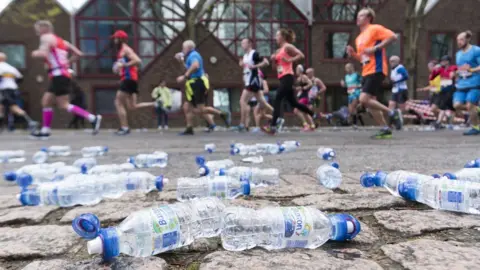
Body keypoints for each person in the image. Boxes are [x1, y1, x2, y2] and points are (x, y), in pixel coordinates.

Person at [30, 20, 101, 139]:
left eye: (37, 29)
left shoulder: (46, 38)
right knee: (46, 101)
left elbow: (43, 54)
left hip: (59, 75)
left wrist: (34, 53)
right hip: (59, 74)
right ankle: (45, 130)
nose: (37, 32)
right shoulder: (62, 41)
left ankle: (92, 118)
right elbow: (79, 54)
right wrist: (67, 62)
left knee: (63, 104)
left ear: (44, 28)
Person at [346, 8, 402, 139]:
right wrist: (353, 54)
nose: (358, 17)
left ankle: (392, 113)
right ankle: (385, 129)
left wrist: (376, 48)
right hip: (366, 70)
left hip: (376, 69)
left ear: (368, 18)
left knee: (363, 99)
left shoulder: (375, 28)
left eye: (361, 15)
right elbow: (362, 58)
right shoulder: (359, 37)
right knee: (370, 105)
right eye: (358, 15)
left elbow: (393, 36)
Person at [262, 28, 315, 135]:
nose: (276, 38)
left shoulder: (287, 46)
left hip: (288, 76)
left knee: (278, 99)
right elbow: (274, 68)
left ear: (282, 37)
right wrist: (273, 60)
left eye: (277, 36)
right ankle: (312, 113)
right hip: (282, 77)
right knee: (293, 102)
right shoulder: (278, 51)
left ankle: (273, 126)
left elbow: (301, 55)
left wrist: (289, 60)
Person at [175, 40, 231, 135]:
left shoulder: (193, 55)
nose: (182, 50)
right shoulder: (190, 56)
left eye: (183, 48)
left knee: (200, 109)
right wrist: (181, 62)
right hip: (193, 83)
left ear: (188, 48)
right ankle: (189, 128)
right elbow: (188, 68)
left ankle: (222, 114)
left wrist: (184, 77)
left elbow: (195, 66)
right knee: (187, 107)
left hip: (197, 83)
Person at [111, 30, 155, 136]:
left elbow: (138, 60)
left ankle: (125, 128)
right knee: (132, 106)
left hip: (129, 79)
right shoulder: (121, 51)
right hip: (129, 79)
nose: (114, 40)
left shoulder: (126, 49)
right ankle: (155, 104)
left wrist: (123, 66)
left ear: (121, 39)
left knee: (118, 102)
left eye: (116, 38)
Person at [238, 39, 273, 132]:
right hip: (248, 80)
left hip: (253, 80)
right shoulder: (245, 56)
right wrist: (242, 65)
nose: (242, 45)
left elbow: (266, 62)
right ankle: (278, 116)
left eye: (244, 43)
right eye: (241, 43)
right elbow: (246, 67)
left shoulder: (254, 54)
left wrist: (255, 66)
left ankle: (242, 124)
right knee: (262, 101)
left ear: (249, 44)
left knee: (242, 101)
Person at [0, 52, 38, 130]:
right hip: (13, 89)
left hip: (4, 90)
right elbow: (20, 78)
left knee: (13, 107)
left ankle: (29, 122)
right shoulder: (11, 68)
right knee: (3, 107)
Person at [453, 30, 480, 135]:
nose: (459, 42)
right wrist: (456, 74)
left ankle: (476, 128)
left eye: (461, 39)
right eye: (458, 40)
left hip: (475, 83)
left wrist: (471, 70)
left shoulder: (476, 50)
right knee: (456, 105)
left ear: (468, 39)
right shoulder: (458, 54)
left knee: (470, 105)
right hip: (461, 84)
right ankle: (477, 109)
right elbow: (461, 68)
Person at [388, 55, 409, 129]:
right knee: (391, 105)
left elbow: (406, 76)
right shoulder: (392, 69)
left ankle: (399, 122)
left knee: (401, 108)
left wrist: (396, 81)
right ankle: (390, 123)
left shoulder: (400, 68)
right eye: (390, 61)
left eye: (393, 61)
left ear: (397, 61)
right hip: (395, 90)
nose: (391, 63)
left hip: (401, 89)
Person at [293, 64, 314, 131]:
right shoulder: (298, 78)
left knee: (296, 110)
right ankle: (312, 125)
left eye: (297, 69)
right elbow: (299, 88)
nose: (296, 71)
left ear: (300, 70)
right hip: (300, 97)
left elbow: (310, 83)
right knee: (305, 112)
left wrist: (303, 88)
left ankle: (305, 125)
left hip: (304, 97)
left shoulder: (304, 76)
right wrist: (296, 88)